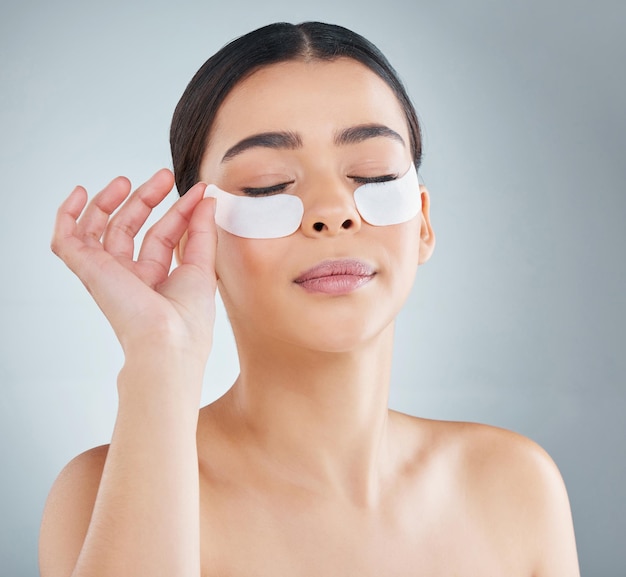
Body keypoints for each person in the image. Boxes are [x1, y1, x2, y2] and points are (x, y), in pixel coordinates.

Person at [39, 21, 580, 577]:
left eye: (371, 172)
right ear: (195, 237)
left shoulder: (515, 485)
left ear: (422, 223)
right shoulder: (103, 495)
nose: (332, 210)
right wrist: (159, 361)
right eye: (269, 186)